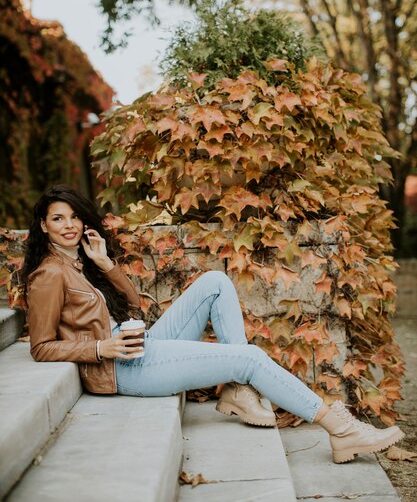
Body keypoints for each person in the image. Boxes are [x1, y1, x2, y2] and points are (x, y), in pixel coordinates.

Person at [21, 185, 404, 464]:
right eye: (58, 218)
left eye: (74, 216)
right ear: (43, 226)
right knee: (250, 357)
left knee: (215, 282)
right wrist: (99, 348)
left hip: (139, 344)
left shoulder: (80, 262)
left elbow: (134, 306)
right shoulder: (48, 275)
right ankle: (340, 429)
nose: (69, 224)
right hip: (122, 368)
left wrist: (105, 264)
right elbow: (41, 347)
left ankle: (238, 390)